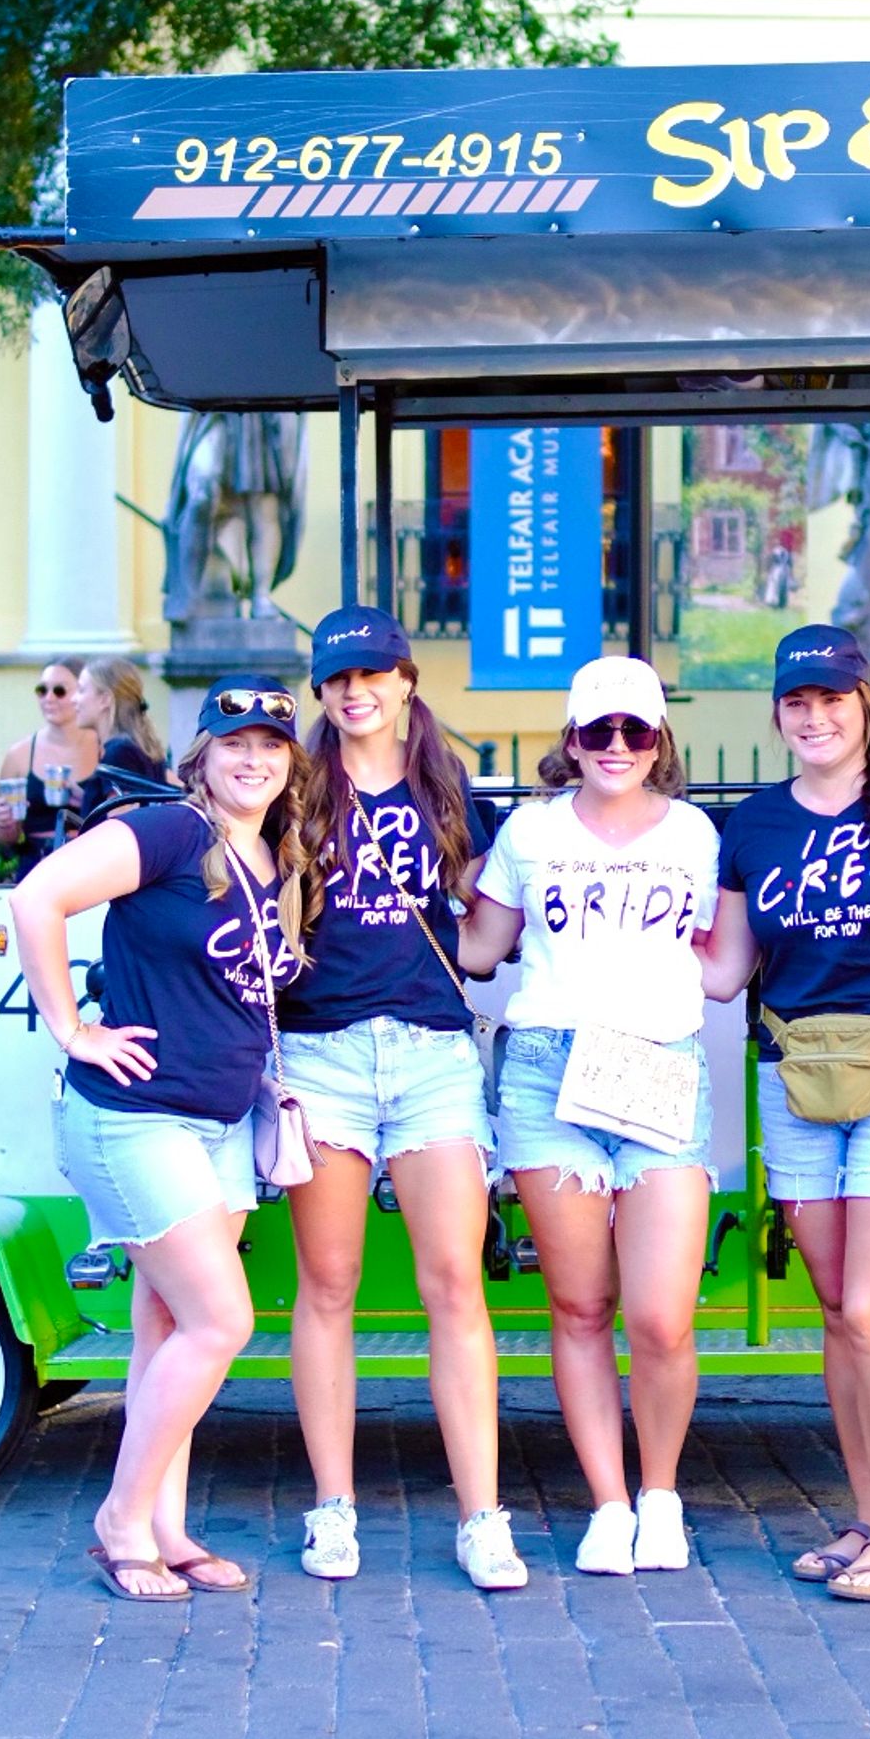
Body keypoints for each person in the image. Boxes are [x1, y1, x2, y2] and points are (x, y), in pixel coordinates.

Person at [699, 625, 870, 1601]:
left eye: (830, 697)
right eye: (796, 701)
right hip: (797, 1071)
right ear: (778, 713)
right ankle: (867, 1516)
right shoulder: (753, 825)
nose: (813, 715)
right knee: (836, 1310)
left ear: (864, 703)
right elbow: (727, 968)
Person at [11, 681, 311, 1603]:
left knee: (171, 1325)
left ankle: (164, 1527)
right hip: (135, 1119)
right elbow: (38, 896)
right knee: (223, 1320)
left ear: (291, 761)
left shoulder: (272, 855)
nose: (252, 759)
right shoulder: (170, 830)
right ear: (202, 756)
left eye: (270, 744)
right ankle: (118, 1518)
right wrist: (72, 1029)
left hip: (218, 1123)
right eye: (234, 744)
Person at [277, 605, 525, 1593]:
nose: (354, 692)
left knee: (454, 1285)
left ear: (406, 681)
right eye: (337, 679)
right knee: (328, 1287)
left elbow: (478, 922)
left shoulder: (446, 787)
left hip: (428, 1057)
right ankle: (333, 1510)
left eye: (372, 674)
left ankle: (482, 1516)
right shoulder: (295, 790)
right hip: (323, 1054)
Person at [461, 657, 722, 1577]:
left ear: (660, 744)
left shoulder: (696, 834)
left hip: (656, 1066)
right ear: (570, 742)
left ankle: (662, 1493)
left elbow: (722, 964)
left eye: (636, 732)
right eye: (598, 732)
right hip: (547, 1068)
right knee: (578, 1305)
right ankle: (608, 1502)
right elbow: (483, 948)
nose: (617, 747)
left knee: (661, 1317)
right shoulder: (527, 834)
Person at [0, 659, 100, 875]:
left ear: (80, 693)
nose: (49, 698)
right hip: (37, 864)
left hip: (90, 863)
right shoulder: (19, 754)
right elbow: (5, 841)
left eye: (59, 691)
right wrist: (5, 823)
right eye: (42, 690)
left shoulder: (104, 748)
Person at [74, 659, 168, 828]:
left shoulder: (118, 753)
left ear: (105, 699)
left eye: (81, 690)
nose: (74, 699)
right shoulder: (142, 746)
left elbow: (120, 823)